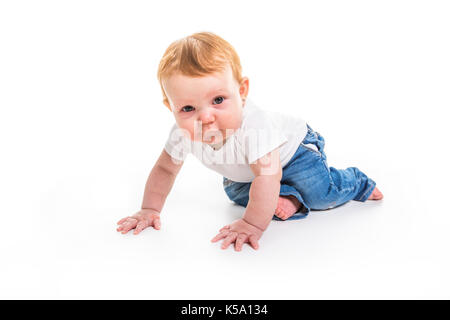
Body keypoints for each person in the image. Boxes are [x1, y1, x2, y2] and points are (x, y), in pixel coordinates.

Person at [116, 31, 383, 251]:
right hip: (247, 172)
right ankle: (289, 198)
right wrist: (149, 209)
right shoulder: (182, 133)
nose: (205, 117)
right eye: (188, 108)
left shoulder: (255, 126)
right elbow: (165, 169)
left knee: (320, 196)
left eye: (218, 100)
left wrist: (252, 224)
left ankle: (354, 181)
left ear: (241, 92)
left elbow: (267, 175)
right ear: (170, 106)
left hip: (294, 155)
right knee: (235, 193)